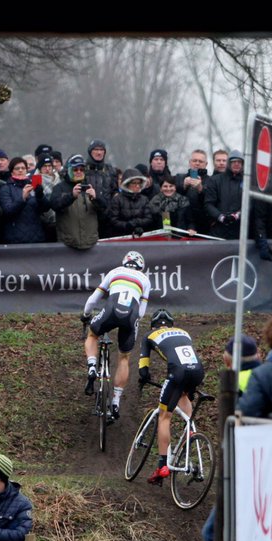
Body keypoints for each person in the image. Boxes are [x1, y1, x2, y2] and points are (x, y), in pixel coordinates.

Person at [137, 310, 206, 485]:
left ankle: (162, 465)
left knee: (164, 416)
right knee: (184, 395)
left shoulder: (149, 335)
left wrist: (144, 378)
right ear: (172, 324)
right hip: (197, 371)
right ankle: (190, 431)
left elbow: (143, 367)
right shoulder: (184, 332)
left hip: (178, 372)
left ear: (153, 324)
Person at [82, 250, 152, 421]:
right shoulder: (145, 280)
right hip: (130, 317)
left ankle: (92, 367)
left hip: (110, 311)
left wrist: (86, 314)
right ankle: (115, 401)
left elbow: (93, 299)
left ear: (124, 262)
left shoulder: (114, 272)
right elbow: (141, 312)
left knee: (92, 335)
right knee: (124, 358)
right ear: (141, 267)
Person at [47, 154, 103, 250]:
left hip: (90, 243)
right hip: (67, 245)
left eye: (81, 169)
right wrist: (71, 196)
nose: (79, 172)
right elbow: (54, 205)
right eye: (75, 169)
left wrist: (96, 199)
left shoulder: (90, 187)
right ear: (68, 170)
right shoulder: (60, 188)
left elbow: (104, 210)